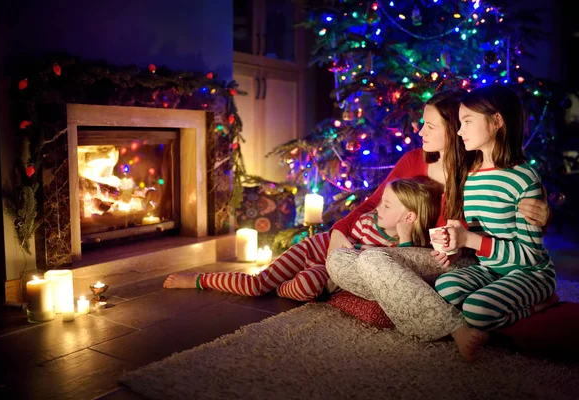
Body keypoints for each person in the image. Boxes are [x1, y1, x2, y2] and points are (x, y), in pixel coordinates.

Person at [325, 88, 551, 361]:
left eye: (430, 126)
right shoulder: (413, 160)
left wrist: (545, 214)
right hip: (413, 256)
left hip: (451, 261)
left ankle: (443, 322)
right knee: (338, 261)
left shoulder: (473, 170)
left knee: (373, 260)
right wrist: (340, 228)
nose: (421, 132)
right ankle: (406, 301)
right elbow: (373, 203)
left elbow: (511, 222)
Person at [163, 177, 442, 301]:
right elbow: (346, 246)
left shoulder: (408, 247)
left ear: (409, 218)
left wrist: (404, 238)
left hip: (329, 272)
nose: (377, 207)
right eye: (382, 202)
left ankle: (280, 288)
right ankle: (201, 279)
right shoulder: (368, 221)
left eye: (388, 206)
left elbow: (400, 268)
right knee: (257, 285)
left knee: (308, 286)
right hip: (317, 248)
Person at [433, 84, 558, 360]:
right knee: (444, 287)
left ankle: (540, 305)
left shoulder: (523, 180)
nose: (459, 130)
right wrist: (454, 240)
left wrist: (471, 240)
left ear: (497, 122)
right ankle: (499, 309)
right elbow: (476, 234)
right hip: (491, 268)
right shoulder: (471, 174)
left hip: (531, 272)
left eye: (467, 122)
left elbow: (529, 256)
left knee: (476, 309)